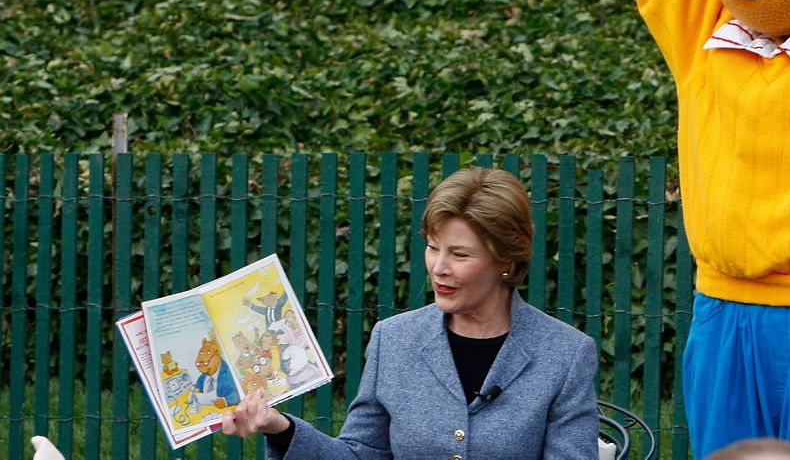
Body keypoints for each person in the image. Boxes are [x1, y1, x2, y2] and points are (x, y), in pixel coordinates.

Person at [223, 167, 600, 459]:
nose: (438, 267)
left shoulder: (565, 354)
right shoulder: (394, 340)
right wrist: (280, 427)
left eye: (460, 254)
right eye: (433, 247)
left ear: (506, 259)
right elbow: (360, 455)